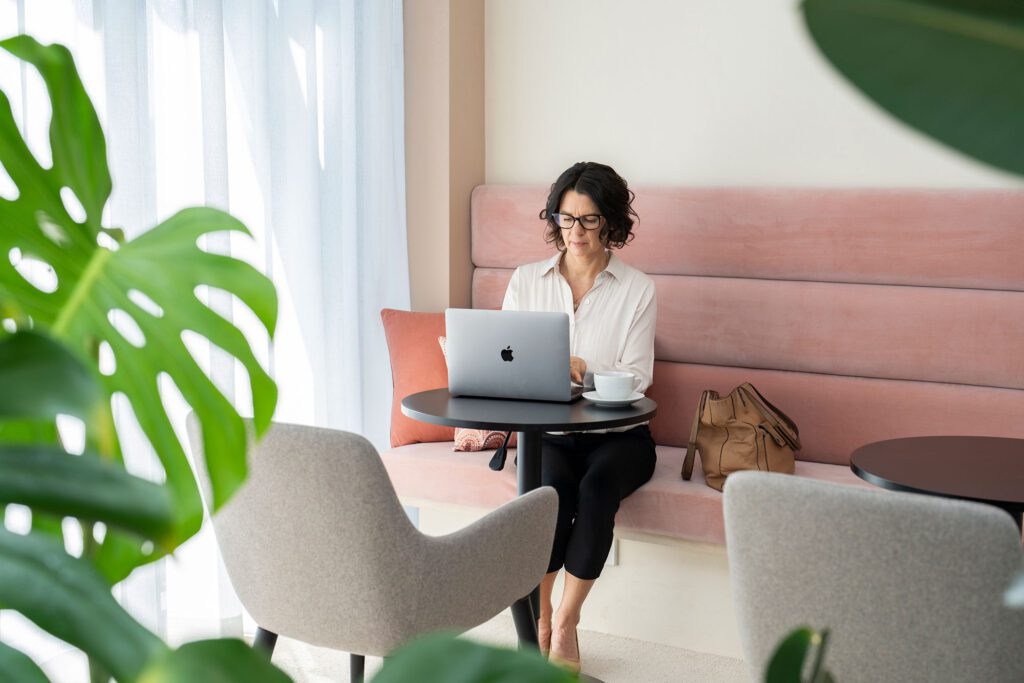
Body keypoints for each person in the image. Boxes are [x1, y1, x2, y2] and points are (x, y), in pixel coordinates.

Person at [501, 161, 657, 672]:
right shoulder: (527, 281)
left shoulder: (638, 289)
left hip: (619, 436)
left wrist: (584, 369)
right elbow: (506, 359)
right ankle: (539, 618)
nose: (577, 232)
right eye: (566, 219)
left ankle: (566, 623)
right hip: (549, 433)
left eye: (589, 220)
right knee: (550, 498)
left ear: (611, 221)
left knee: (594, 492)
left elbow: (638, 377)